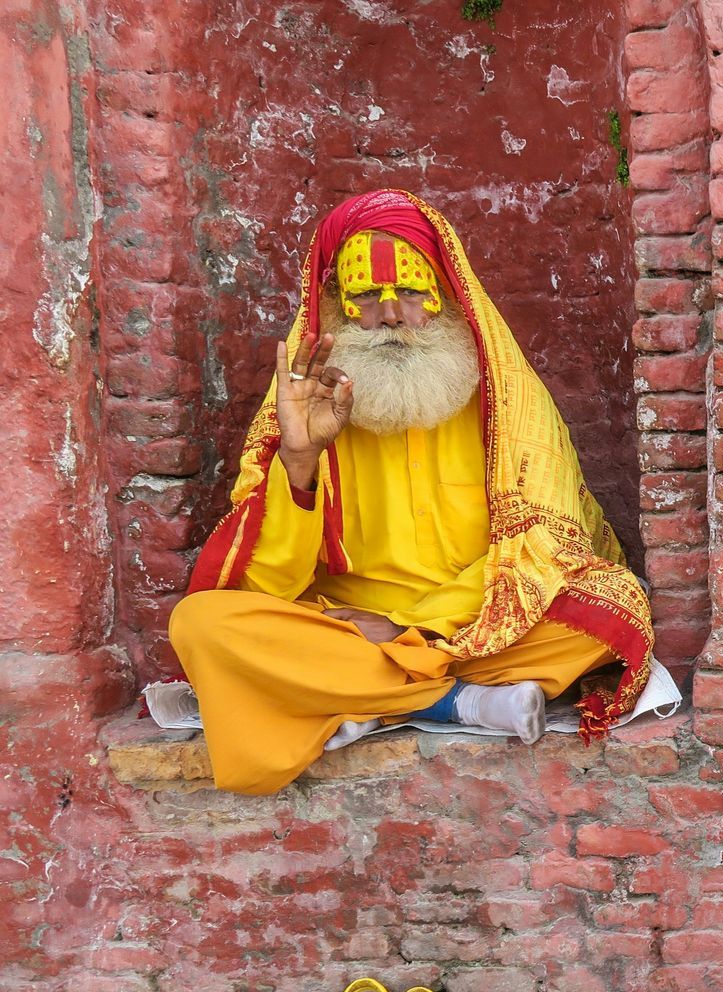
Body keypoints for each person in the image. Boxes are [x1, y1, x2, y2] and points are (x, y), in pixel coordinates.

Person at [169, 190, 655, 795]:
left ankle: (355, 694)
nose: (391, 314)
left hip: (479, 621)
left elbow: (545, 550)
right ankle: (454, 703)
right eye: (366, 297)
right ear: (337, 309)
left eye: (410, 293)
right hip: (344, 627)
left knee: (610, 610)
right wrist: (298, 459)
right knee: (202, 624)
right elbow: (263, 586)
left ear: (447, 297)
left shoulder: (505, 400)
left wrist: (403, 626)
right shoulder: (307, 405)